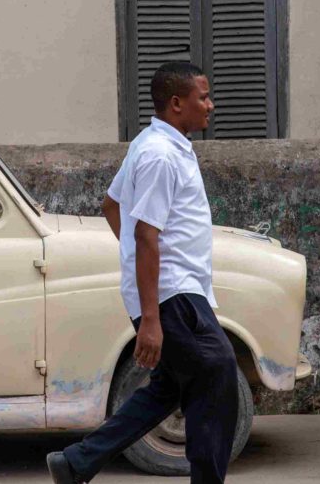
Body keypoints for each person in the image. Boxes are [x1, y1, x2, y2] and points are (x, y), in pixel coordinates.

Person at [46, 61, 238, 484]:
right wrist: (150, 317)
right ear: (176, 104)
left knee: (169, 388)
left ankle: (77, 462)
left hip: (174, 290)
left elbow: (112, 205)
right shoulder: (158, 156)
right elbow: (146, 234)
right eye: (202, 97)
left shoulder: (150, 144)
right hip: (173, 294)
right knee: (217, 373)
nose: (211, 105)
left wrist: (136, 258)